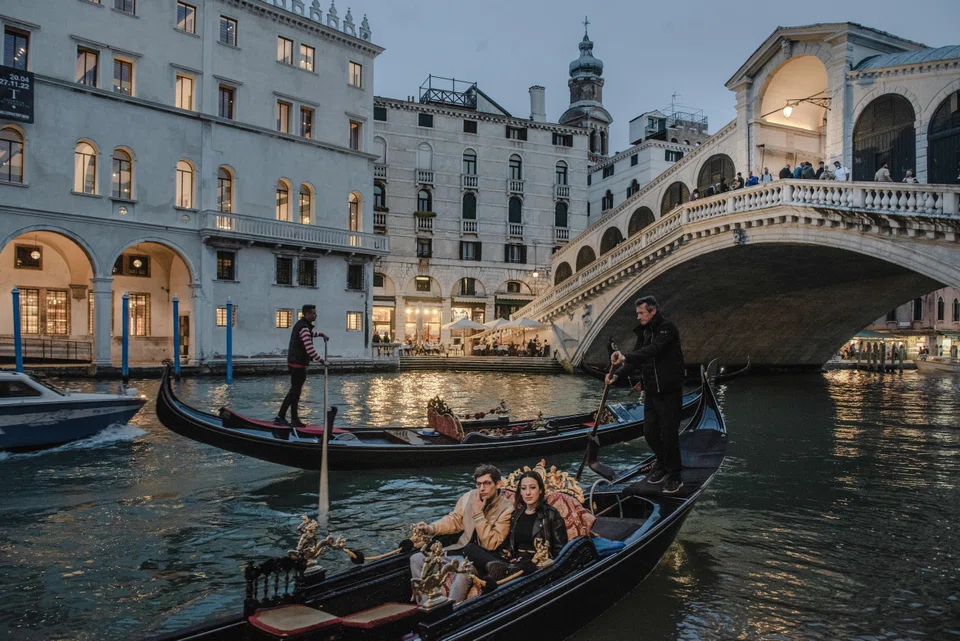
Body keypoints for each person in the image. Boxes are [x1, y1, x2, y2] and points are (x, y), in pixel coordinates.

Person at [606, 296, 686, 495]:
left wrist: (625, 356)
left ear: (653, 311)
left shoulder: (667, 329)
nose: (638, 317)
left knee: (669, 435)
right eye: (637, 313)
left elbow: (653, 350)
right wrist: (617, 375)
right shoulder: (644, 332)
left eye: (641, 313)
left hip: (669, 391)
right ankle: (663, 463)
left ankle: (675, 475)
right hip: (651, 391)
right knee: (650, 433)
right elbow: (636, 358)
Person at [410, 464, 513, 603]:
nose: (482, 489)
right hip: (460, 550)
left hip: (482, 560)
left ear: (498, 484)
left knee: (463, 570)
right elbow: (454, 520)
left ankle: (452, 609)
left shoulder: (507, 509)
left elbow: (491, 543)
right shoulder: (469, 497)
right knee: (416, 558)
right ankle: (425, 605)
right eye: (479, 484)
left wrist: (478, 514)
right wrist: (430, 528)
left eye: (487, 483)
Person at [487, 471, 567, 580]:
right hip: (514, 561)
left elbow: (560, 550)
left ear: (540, 490)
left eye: (532, 488)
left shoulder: (551, 515)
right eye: (523, 488)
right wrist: (506, 554)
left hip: (536, 564)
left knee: (497, 569)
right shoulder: (516, 514)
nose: (527, 493)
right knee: (471, 549)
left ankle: (501, 573)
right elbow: (510, 543)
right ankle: (502, 570)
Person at [275, 304, 327, 427]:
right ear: (307, 314)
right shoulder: (304, 328)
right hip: (297, 364)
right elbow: (310, 350)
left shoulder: (302, 326)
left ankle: (294, 419)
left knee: (296, 392)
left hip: (295, 363)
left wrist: (321, 335)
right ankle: (280, 417)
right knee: (294, 392)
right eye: (314, 313)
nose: (316, 315)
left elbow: (310, 334)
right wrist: (323, 361)